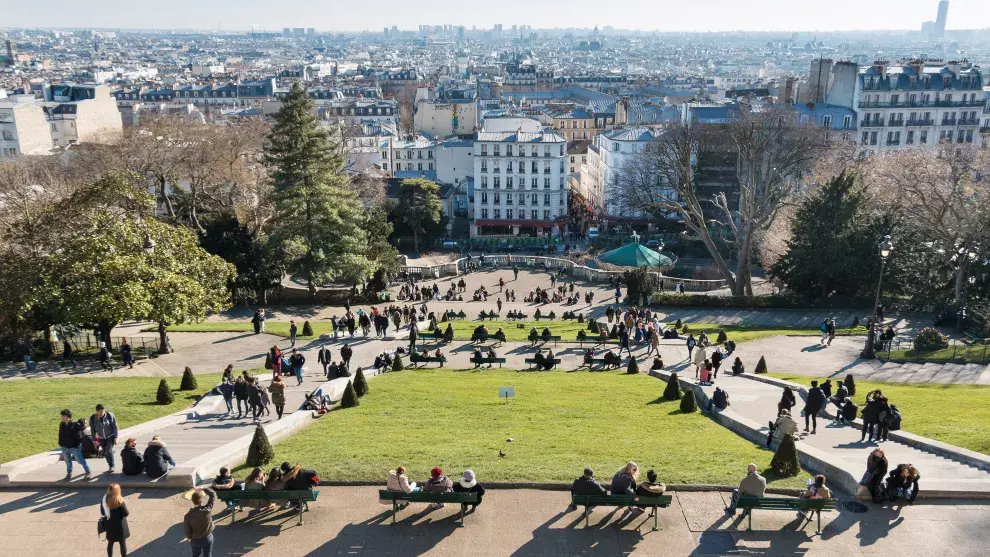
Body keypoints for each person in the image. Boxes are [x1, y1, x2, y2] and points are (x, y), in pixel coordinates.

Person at [183, 487, 216, 557]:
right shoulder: (207, 509)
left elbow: (187, 531)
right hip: (208, 537)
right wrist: (203, 489)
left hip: (195, 540)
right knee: (208, 554)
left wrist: (189, 538)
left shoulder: (188, 516)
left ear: (192, 500)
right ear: (201, 500)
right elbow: (212, 494)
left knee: (195, 555)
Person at [58, 409, 91, 477]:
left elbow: (79, 437)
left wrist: (76, 446)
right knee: (67, 460)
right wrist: (60, 443)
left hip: (74, 447)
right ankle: (69, 472)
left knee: (79, 460)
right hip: (64, 446)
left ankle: (88, 471)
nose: (61, 417)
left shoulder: (74, 425)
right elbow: (60, 434)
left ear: (68, 417)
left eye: (63, 416)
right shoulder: (62, 424)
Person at [101, 483, 130, 557]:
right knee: (122, 543)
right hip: (119, 525)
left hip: (109, 524)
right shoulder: (119, 500)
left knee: (110, 543)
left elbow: (102, 512)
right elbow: (126, 513)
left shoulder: (104, 500)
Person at [90, 404, 119, 473]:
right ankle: (109, 464)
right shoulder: (93, 418)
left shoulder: (109, 415)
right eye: (100, 412)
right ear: (97, 411)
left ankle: (112, 466)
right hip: (101, 438)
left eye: (103, 411)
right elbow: (93, 430)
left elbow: (115, 426)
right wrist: (94, 441)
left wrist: (115, 437)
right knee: (105, 452)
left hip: (110, 436)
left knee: (109, 451)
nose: (102, 413)